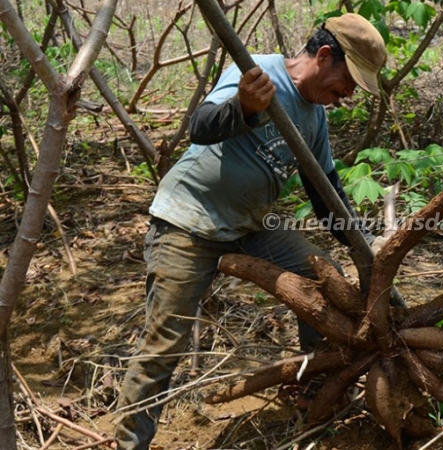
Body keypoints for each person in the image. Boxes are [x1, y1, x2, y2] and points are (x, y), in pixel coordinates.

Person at [114, 13, 387, 450]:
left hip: (248, 228)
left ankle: (315, 395)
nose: (348, 94)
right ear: (323, 56)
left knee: (324, 280)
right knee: (165, 342)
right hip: (189, 221)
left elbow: (326, 193)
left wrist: (366, 246)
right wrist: (243, 107)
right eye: (349, 81)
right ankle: (131, 444)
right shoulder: (259, 73)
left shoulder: (315, 118)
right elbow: (200, 128)